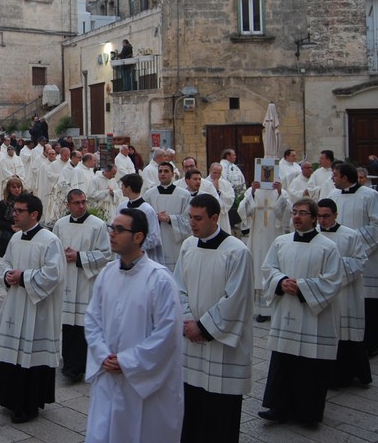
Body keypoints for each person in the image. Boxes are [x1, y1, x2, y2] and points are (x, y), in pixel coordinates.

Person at [84, 208, 183, 443]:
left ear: (138, 237)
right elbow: (92, 318)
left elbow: (167, 334)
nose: (112, 234)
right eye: (112, 228)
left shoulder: (159, 279)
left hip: (143, 383)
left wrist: (127, 361)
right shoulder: (107, 273)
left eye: (119, 230)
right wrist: (102, 355)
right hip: (108, 373)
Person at [174, 194, 253, 443]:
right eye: (190, 217)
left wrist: (203, 328)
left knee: (220, 410)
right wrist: (188, 322)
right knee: (192, 404)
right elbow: (178, 287)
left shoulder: (237, 251)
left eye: (198, 218)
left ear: (215, 218)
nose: (192, 223)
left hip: (221, 345)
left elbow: (236, 299)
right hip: (192, 339)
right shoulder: (187, 246)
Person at [259, 198, 343, 425]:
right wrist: (281, 282)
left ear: (315, 218)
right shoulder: (281, 242)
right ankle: (278, 407)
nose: (296, 217)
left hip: (312, 317)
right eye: (294, 212)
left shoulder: (327, 247)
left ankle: (308, 413)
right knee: (283, 360)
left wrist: (303, 287)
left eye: (303, 213)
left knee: (310, 366)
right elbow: (268, 269)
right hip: (286, 313)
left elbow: (334, 280)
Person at [0, 193, 65, 424]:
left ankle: (28, 405)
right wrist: (7, 274)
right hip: (15, 304)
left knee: (30, 355)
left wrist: (23, 276)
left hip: (37, 309)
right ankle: (9, 399)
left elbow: (54, 274)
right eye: (14, 210)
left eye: (19, 211)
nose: (14, 214)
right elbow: (4, 263)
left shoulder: (50, 240)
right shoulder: (16, 238)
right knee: (10, 353)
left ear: (33, 214)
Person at [51, 189, 111, 383]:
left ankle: (77, 367)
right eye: (76, 202)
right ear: (68, 205)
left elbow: (106, 254)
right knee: (67, 324)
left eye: (83, 201)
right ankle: (68, 362)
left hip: (86, 281)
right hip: (67, 280)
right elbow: (51, 251)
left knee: (83, 325)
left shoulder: (98, 225)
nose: (81, 206)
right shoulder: (60, 225)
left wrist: (79, 256)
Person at [329, 162, 378, 358]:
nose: (332, 178)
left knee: (369, 303)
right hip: (338, 259)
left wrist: (351, 242)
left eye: (335, 175)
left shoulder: (370, 196)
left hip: (367, 258)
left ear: (345, 177)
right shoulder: (332, 196)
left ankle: (371, 343)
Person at [315, 199, 371, 388]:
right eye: (319, 216)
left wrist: (333, 271)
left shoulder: (350, 235)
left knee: (345, 333)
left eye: (326, 216)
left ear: (335, 215)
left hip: (345, 293)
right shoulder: (312, 235)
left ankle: (344, 374)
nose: (322, 221)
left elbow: (360, 262)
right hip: (320, 293)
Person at [240, 180, 288, 322]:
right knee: (258, 267)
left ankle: (275, 307)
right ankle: (261, 310)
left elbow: (286, 213)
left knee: (275, 266)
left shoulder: (281, 192)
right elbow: (244, 211)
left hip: (275, 235)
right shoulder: (252, 190)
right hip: (258, 237)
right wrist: (253, 194)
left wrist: (279, 193)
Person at [143, 162, 191, 269]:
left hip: (175, 241)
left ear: (172, 174)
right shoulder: (149, 194)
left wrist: (170, 219)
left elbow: (188, 219)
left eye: (166, 171)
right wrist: (155, 217)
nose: (162, 174)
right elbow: (143, 217)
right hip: (157, 239)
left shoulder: (183, 195)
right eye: (160, 171)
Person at [0, 177, 24, 259]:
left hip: (23, 228)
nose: (17, 189)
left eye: (18, 187)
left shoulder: (26, 202)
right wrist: (11, 226)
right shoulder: (3, 203)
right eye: (14, 187)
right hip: (9, 229)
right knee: (7, 238)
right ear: (9, 189)